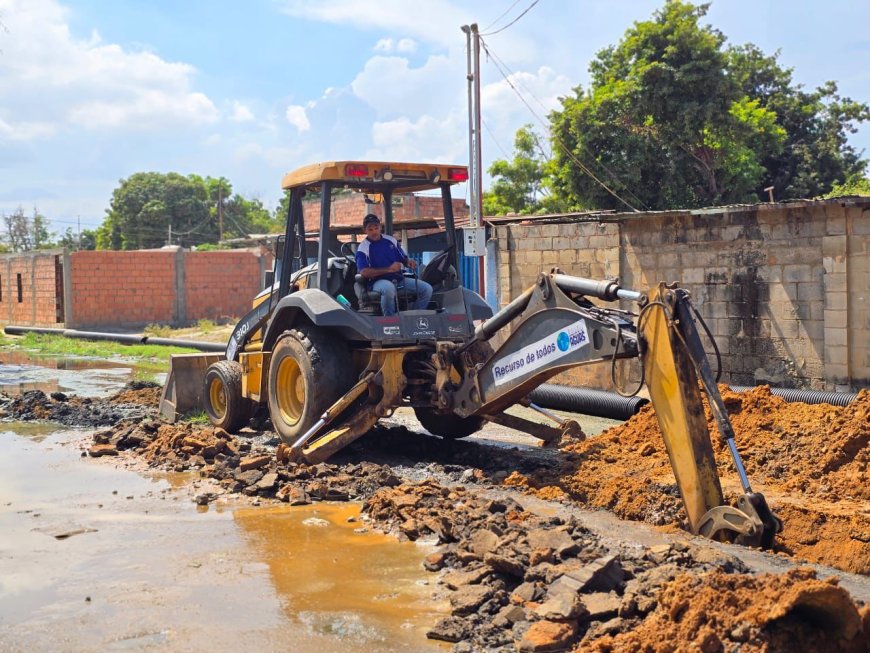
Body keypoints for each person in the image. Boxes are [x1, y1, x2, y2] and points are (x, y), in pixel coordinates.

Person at [355, 213, 433, 316]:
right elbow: (364, 272)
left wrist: (408, 262)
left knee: (427, 289)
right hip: (377, 282)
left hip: (399, 279)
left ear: (380, 227)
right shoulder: (363, 248)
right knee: (388, 288)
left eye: (376, 228)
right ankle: (390, 320)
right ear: (365, 230)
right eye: (370, 229)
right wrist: (389, 270)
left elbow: (403, 258)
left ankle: (413, 316)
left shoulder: (391, 240)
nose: (374, 231)